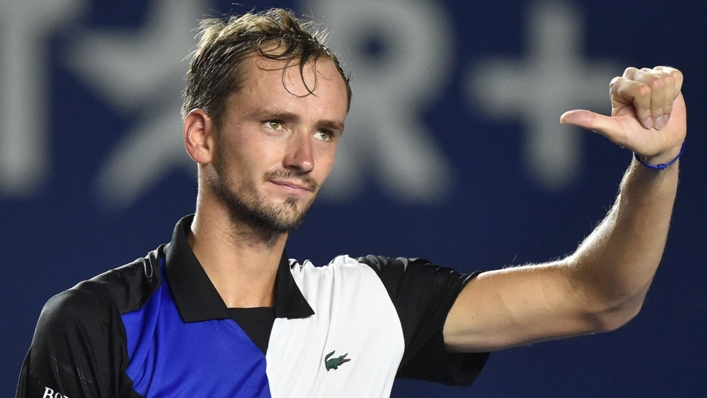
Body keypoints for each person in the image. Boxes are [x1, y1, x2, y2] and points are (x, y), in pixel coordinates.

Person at [16, 8, 686, 398]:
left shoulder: (371, 303)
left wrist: (654, 165)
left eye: (325, 132)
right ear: (202, 134)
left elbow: (597, 297)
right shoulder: (94, 323)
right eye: (275, 123)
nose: (304, 158)